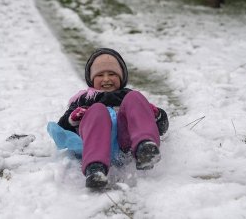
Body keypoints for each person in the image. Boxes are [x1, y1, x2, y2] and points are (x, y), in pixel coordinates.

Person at [57, 48, 169, 188]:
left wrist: (156, 114)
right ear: (91, 79)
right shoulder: (84, 99)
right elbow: (61, 129)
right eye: (100, 75)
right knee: (97, 110)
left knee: (135, 98)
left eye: (112, 74)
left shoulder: (130, 97)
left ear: (122, 77)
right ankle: (95, 169)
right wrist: (72, 119)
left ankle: (144, 149)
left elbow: (162, 127)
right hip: (96, 143)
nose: (106, 79)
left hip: (126, 144)